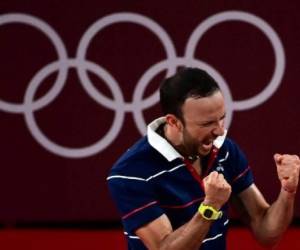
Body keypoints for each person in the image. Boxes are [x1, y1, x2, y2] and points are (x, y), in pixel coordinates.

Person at [107, 67, 300, 250]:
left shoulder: (225, 150)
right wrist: (209, 207)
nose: (219, 130)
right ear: (174, 122)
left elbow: (266, 233)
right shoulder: (130, 173)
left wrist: (287, 192)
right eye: (207, 123)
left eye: (221, 118)